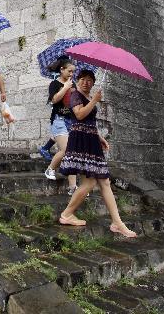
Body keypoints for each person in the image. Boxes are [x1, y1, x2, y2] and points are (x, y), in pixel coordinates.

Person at [58, 70, 136, 238]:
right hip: (81, 141)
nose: (86, 82)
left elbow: (89, 121)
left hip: (91, 140)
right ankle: (67, 214)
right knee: (91, 181)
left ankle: (117, 222)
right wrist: (95, 100)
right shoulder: (75, 95)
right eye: (82, 79)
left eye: (89, 80)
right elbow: (79, 114)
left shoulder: (87, 97)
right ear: (78, 80)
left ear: (93, 83)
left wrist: (99, 137)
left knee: (104, 181)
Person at [43, 60, 78, 194]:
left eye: (73, 72)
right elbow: (54, 100)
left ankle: (72, 187)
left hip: (71, 120)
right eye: (69, 71)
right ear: (62, 69)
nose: (71, 74)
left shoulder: (73, 84)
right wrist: (65, 87)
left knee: (71, 153)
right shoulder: (54, 84)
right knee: (67, 150)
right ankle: (50, 169)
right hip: (59, 120)